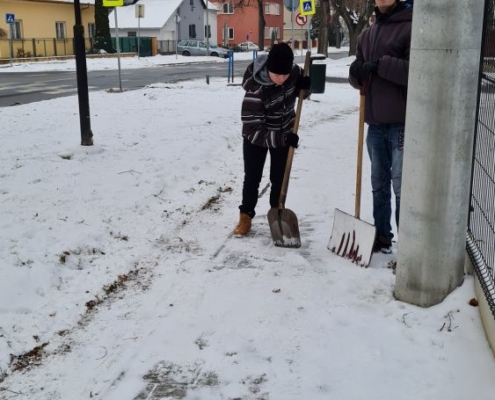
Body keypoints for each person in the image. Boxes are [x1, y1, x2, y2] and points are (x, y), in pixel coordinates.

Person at [348, 0, 413, 253]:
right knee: (378, 183)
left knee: (401, 185)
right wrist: (356, 72)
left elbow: (414, 71)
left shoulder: (410, 26)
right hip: (374, 123)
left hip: (400, 122)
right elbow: (359, 76)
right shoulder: (367, 33)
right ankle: (382, 236)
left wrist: (381, 64)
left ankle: (407, 244)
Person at [233, 43, 311, 237]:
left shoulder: (292, 73)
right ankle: (245, 216)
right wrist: (284, 139)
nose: (282, 79)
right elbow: (253, 130)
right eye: (278, 75)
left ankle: (276, 212)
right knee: (253, 177)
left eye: (285, 75)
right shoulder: (255, 89)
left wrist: (305, 88)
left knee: (279, 177)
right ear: (268, 69)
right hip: (257, 136)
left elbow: (301, 95)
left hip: (283, 130)